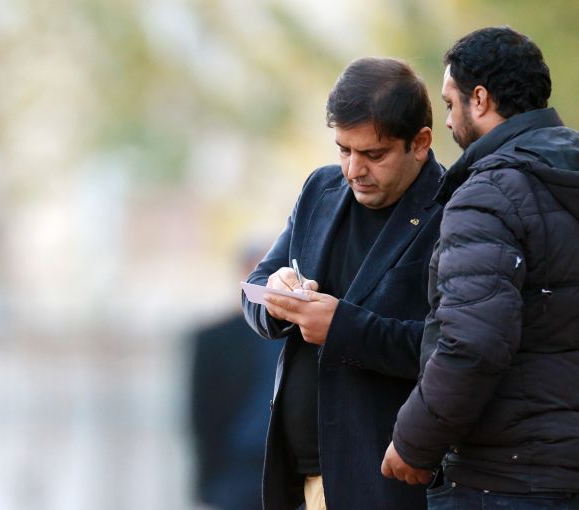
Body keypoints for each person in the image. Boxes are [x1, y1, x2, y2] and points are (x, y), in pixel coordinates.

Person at [382, 26, 579, 509]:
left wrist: (413, 442)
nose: (449, 121)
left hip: (506, 479)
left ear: (481, 99)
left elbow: (473, 342)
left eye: (450, 104)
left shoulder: (488, 195)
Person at [242, 57, 443, 510]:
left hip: (382, 481)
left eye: (374, 155)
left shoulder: (454, 210)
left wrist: (342, 328)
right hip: (298, 476)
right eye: (343, 150)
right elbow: (253, 287)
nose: (354, 169)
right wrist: (275, 295)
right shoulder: (321, 189)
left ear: (420, 143)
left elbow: (451, 348)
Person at [190, 243, 283, 510]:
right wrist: (210, 480)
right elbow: (202, 413)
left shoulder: (304, 335)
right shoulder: (215, 338)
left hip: (290, 469)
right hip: (238, 469)